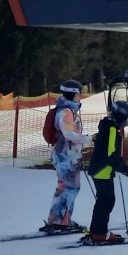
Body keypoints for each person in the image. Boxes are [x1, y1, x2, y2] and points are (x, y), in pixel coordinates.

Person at [82, 100, 128, 244]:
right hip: (102, 171)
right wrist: (123, 168)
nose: (126, 124)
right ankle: (99, 234)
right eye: (127, 120)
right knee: (107, 201)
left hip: (99, 169)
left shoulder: (108, 126)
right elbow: (110, 154)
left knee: (102, 201)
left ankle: (96, 231)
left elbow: (109, 152)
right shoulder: (111, 129)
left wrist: (119, 165)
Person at [42, 79, 92, 233]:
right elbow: (69, 134)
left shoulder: (65, 109)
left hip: (64, 155)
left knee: (63, 188)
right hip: (66, 157)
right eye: (79, 93)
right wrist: (88, 139)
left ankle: (55, 220)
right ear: (73, 94)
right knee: (71, 188)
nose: (80, 96)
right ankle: (62, 222)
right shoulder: (66, 111)